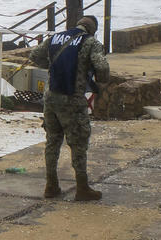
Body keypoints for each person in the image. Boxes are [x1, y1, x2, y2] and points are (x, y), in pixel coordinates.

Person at [29, 15, 110, 201]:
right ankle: (82, 188)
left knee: (52, 141)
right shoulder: (91, 42)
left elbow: (34, 56)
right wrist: (101, 79)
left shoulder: (55, 38)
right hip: (72, 99)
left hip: (51, 97)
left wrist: (53, 66)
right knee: (78, 143)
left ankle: (51, 185)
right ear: (92, 29)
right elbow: (102, 66)